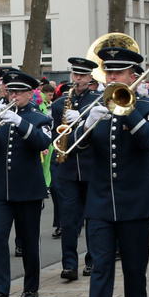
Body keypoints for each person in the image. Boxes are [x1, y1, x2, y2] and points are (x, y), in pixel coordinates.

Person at [68, 42, 149, 297]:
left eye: (118, 71)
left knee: (135, 273)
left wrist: (127, 110)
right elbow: (73, 150)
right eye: (108, 71)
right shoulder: (95, 106)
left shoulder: (147, 107)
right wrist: (84, 122)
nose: (111, 77)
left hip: (136, 204)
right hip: (99, 204)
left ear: (133, 74)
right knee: (100, 272)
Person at [0, 68, 53, 297]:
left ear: (30, 93)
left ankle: (30, 286)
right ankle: (1, 290)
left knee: (28, 240)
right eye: (10, 91)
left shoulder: (39, 118)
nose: (13, 96)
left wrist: (20, 122)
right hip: (0, 190)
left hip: (28, 189)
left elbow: (42, 142)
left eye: (19, 92)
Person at [50, 57, 99, 282]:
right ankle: (69, 265)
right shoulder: (60, 103)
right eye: (75, 75)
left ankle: (91, 261)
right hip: (68, 169)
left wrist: (82, 120)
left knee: (93, 217)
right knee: (68, 220)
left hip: (91, 167)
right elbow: (55, 135)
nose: (77, 79)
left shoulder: (97, 102)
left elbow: (99, 135)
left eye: (82, 75)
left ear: (90, 77)